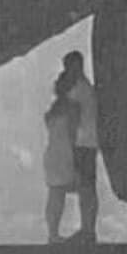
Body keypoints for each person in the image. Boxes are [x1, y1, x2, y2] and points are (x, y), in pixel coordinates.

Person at [59, 50, 99, 243]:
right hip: (90, 142)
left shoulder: (77, 91)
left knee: (85, 188)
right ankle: (88, 228)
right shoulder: (88, 88)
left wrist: (68, 145)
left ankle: (87, 229)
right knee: (88, 187)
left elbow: (72, 120)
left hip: (81, 143)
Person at [43, 79, 81, 243]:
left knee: (54, 194)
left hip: (52, 153)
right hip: (66, 154)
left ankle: (53, 232)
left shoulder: (52, 110)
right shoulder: (73, 109)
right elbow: (74, 134)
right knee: (80, 191)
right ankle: (82, 228)